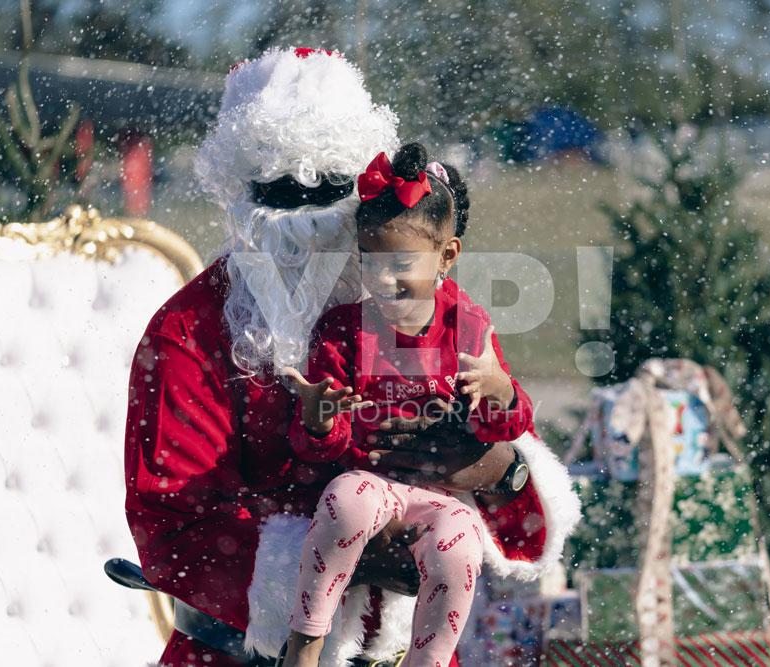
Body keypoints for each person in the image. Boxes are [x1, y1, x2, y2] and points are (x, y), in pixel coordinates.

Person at [123, 47, 581, 667]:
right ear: (239, 195)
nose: (305, 222)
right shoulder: (190, 329)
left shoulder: (442, 314)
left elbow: (520, 525)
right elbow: (170, 523)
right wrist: (346, 558)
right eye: (278, 193)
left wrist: (498, 470)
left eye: (331, 190)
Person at [281, 143, 539, 667]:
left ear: (447, 255)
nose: (382, 278)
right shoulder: (343, 331)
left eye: (400, 263)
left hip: (437, 495)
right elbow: (321, 448)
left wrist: (499, 390)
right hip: (369, 481)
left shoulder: (468, 327)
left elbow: (506, 425)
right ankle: (305, 643)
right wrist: (318, 421)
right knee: (346, 497)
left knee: (461, 542)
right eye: (369, 260)